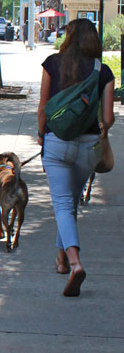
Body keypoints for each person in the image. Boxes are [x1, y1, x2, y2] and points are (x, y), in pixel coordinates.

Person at [37, 17, 115, 296]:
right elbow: (107, 118)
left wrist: (40, 134)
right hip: (88, 147)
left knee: (62, 204)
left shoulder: (52, 64)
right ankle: (61, 261)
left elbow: (44, 108)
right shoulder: (102, 71)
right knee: (70, 203)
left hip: (57, 143)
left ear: (68, 38)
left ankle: (74, 262)